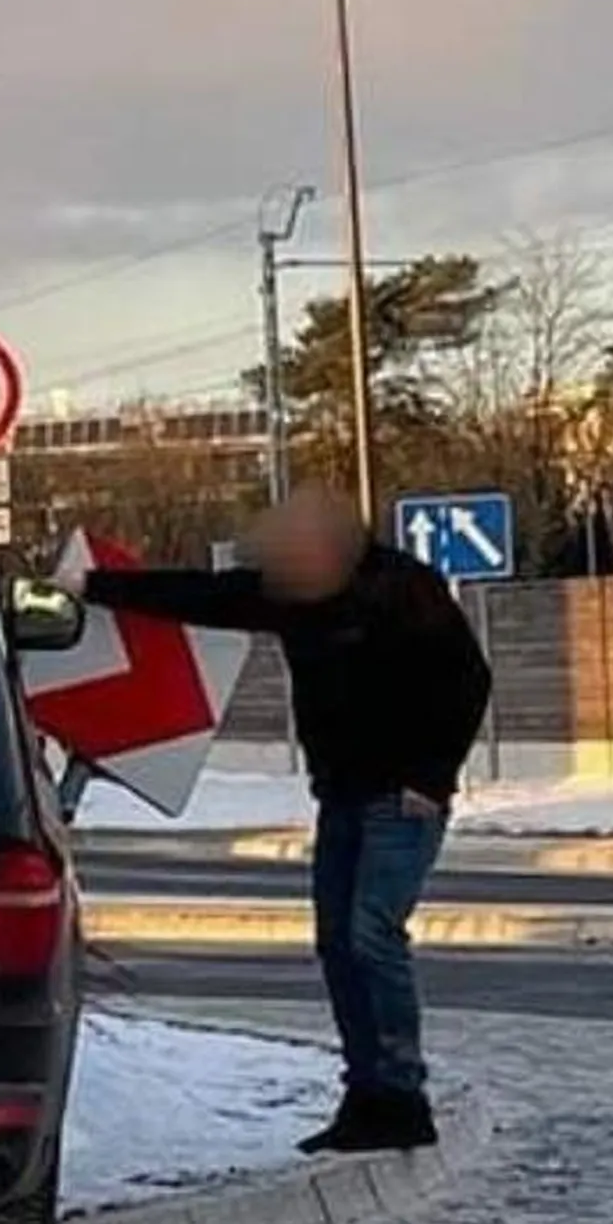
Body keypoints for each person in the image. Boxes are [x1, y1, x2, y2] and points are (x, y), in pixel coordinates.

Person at [54, 487, 492, 1154]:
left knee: (372, 934)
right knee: (336, 942)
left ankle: (402, 1095)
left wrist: (430, 779)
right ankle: (366, 1094)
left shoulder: (402, 589)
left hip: (401, 800)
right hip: (341, 794)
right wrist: (94, 585)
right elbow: (204, 595)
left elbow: (468, 679)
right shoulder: (294, 593)